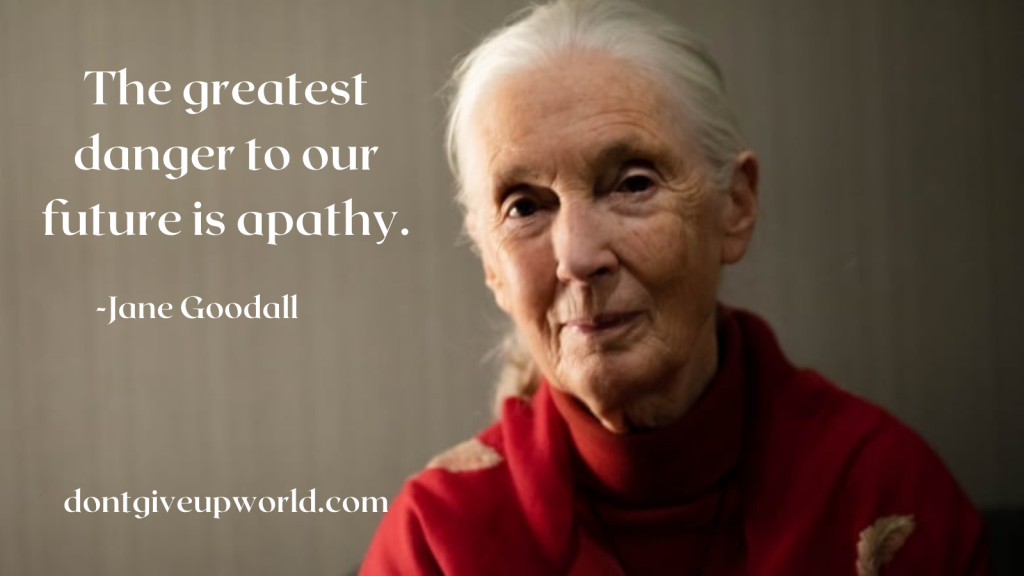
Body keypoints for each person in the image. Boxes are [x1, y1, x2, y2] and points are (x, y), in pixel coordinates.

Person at [360, 0, 989, 573]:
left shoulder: (882, 492)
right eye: (524, 207)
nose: (577, 257)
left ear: (734, 207)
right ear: (491, 263)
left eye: (633, 184)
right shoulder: (434, 541)